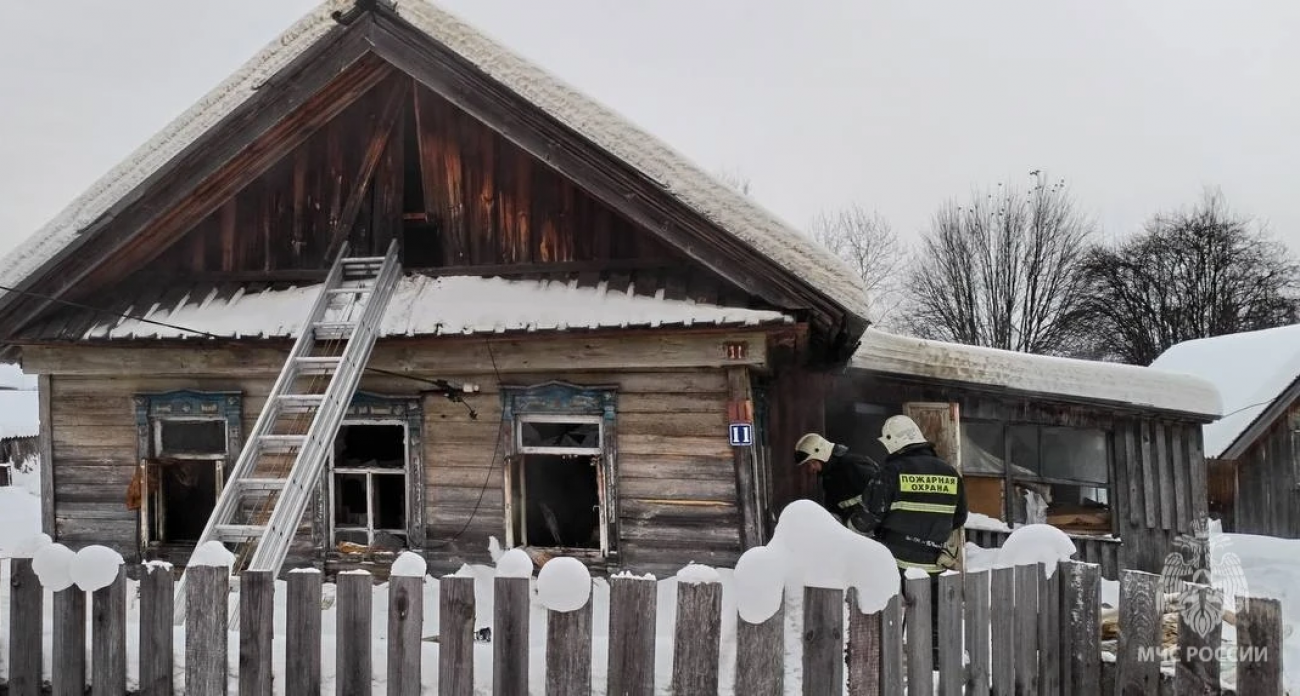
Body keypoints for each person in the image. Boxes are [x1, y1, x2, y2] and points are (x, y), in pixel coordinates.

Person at [796, 415, 967, 662]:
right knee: (931, 624)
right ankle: (934, 668)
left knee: (886, 619)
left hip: (894, 561)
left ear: (894, 441)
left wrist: (847, 529)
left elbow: (867, 518)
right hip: (931, 563)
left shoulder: (891, 472)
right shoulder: (950, 474)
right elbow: (959, 517)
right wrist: (930, 531)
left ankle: (885, 662)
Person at [793, 432, 880, 529]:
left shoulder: (852, 465)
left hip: (877, 533)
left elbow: (883, 495)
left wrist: (863, 522)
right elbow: (835, 510)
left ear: (821, 453)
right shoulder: (829, 479)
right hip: (856, 535)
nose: (811, 468)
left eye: (813, 462)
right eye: (808, 465)